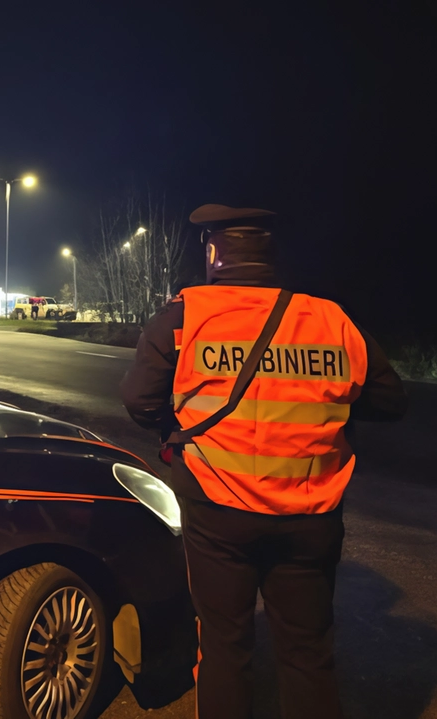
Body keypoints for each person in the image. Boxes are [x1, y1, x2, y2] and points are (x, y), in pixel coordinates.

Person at [120, 204, 407, 719]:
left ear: (213, 253)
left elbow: (140, 403)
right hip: (310, 516)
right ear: (271, 256)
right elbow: (389, 401)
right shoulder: (330, 319)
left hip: (219, 510)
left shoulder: (186, 316)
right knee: (307, 652)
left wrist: (178, 428)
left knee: (226, 649)